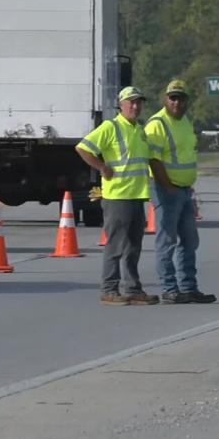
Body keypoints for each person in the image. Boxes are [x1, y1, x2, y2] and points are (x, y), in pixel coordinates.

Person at [75, 87, 159, 306]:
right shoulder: (111, 126)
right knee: (116, 245)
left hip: (136, 195)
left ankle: (133, 289)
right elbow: (83, 148)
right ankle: (109, 289)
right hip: (118, 196)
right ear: (121, 105)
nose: (135, 106)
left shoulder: (139, 130)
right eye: (131, 102)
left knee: (133, 246)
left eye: (139, 102)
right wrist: (102, 167)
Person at [144, 80, 216, 304]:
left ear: (186, 101)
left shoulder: (185, 121)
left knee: (189, 240)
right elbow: (154, 160)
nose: (176, 102)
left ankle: (188, 287)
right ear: (165, 99)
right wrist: (168, 186)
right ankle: (169, 288)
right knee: (167, 241)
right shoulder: (157, 124)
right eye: (172, 98)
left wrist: (185, 187)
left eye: (180, 98)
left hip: (184, 190)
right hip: (166, 189)